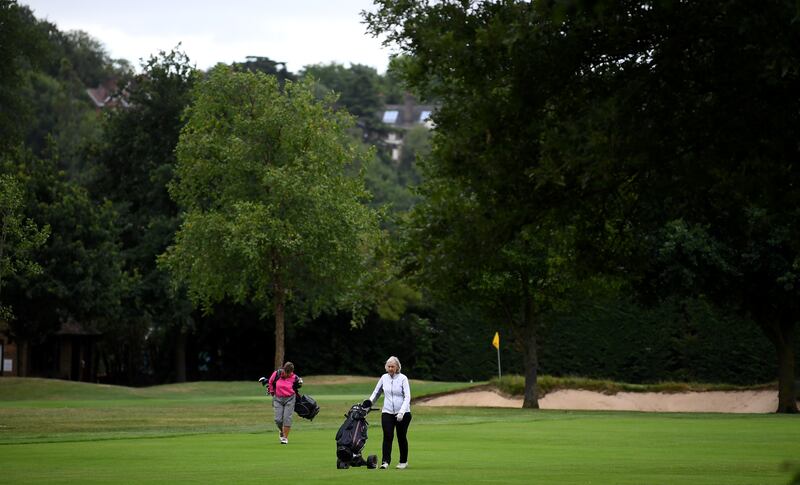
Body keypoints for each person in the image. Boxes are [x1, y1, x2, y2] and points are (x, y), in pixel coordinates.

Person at [363, 356, 411, 469]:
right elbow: (376, 393)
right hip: (387, 412)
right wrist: (368, 404)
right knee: (387, 436)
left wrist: (401, 412)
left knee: (401, 436)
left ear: (397, 367)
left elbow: (407, 396)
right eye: (388, 366)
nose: (390, 368)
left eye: (392, 366)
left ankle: (403, 462)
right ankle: (385, 462)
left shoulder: (403, 378)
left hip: (403, 413)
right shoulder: (384, 378)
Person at [265, 361, 303, 444]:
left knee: (287, 418)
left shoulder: (295, 377)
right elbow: (270, 382)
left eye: (289, 373)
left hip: (290, 399)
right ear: (284, 370)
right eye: (286, 372)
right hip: (278, 399)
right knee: (278, 419)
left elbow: (299, 385)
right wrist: (271, 391)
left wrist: (300, 383)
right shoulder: (277, 374)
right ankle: (281, 431)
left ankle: (285, 438)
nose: (288, 375)